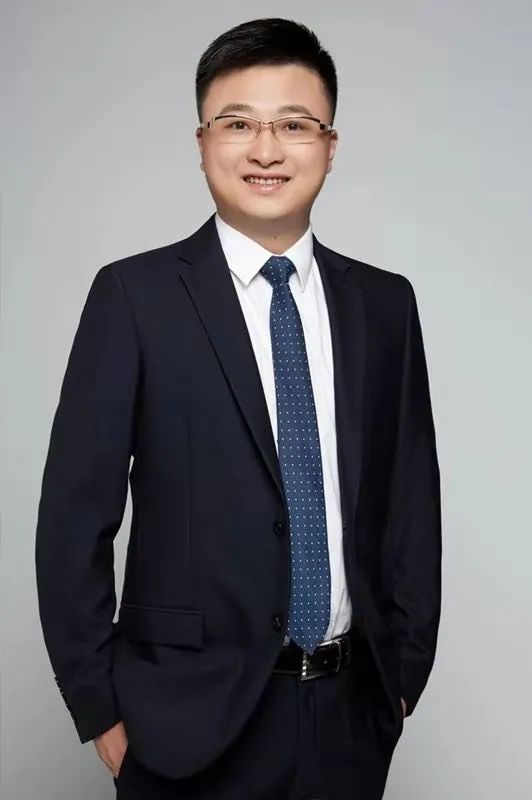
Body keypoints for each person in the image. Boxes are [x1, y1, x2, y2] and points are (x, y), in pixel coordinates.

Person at [35, 17, 441, 800]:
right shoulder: (134, 298)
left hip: (350, 717)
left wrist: (402, 677)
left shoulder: (384, 304)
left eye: (294, 125)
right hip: (184, 724)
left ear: (330, 145)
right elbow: (73, 519)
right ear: (201, 143)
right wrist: (98, 707)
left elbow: (410, 502)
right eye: (238, 124)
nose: (266, 150)